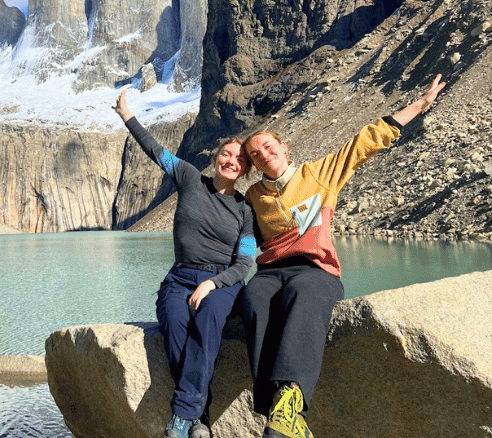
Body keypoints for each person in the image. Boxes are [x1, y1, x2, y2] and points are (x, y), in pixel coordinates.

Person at [240, 74, 447, 438]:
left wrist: (420, 105)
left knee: (302, 293)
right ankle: (275, 409)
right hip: (271, 271)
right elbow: (239, 235)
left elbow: (364, 142)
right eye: (256, 154)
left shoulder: (318, 174)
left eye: (269, 147)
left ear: (284, 146)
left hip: (315, 269)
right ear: (253, 164)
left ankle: (291, 400)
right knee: (254, 298)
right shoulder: (254, 195)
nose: (264, 155)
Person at [114, 90, 258, 438]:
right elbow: (155, 151)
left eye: (238, 160)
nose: (231, 161)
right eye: (226, 154)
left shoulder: (245, 210)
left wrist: (213, 283)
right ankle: (200, 417)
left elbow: (245, 262)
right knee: (175, 322)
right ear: (215, 158)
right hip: (179, 278)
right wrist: (127, 117)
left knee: (208, 316)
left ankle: (180, 420)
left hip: (222, 281)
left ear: (244, 170)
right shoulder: (190, 178)